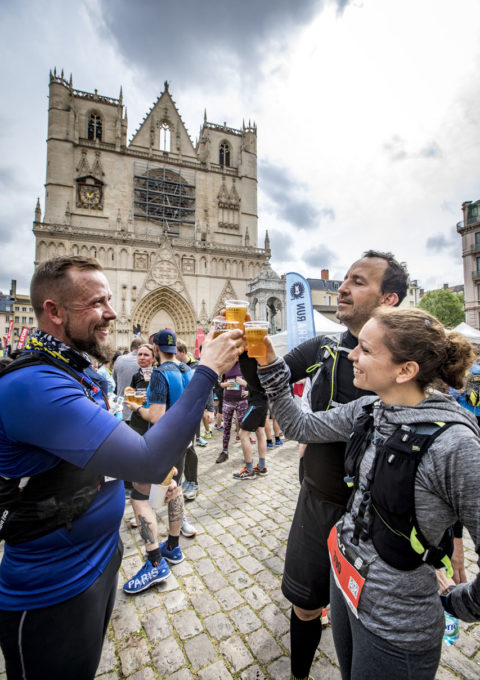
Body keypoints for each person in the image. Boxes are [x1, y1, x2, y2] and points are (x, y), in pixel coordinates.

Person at [0, 256, 243, 680]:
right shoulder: (33, 385)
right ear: (54, 311)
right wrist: (207, 369)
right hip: (51, 588)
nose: (113, 313)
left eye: (111, 300)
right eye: (97, 302)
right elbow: (147, 458)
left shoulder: (74, 371)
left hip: (99, 561)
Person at [256, 307, 480, 679]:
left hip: (395, 624)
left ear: (404, 370)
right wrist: (268, 363)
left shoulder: (456, 445)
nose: (351, 356)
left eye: (365, 349)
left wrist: (460, 602)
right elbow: (299, 425)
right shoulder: (370, 408)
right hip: (345, 588)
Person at [239, 250, 408, 679]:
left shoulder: (408, 367)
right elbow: (268, 378)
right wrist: (247, 347)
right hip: (318, 500)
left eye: (358, 281)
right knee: (305, 602)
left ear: (388, 300)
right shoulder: (326, 347)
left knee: (366, 618)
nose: (343, 288)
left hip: (378, 520)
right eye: (344, 279)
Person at [123, 329, 197, 594]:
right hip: (182, 442)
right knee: (174, 489)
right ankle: (173, 547)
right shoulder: (187, 371)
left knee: (139, 497)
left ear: (155, 349)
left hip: (163, 444)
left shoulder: (160, 374)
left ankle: (155, 562)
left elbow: (155, 416)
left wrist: (136, 408)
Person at [215, 362, 249, 464]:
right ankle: (224, 452)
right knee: (226, 427)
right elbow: (217, 383)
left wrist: (248, 390)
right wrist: (223, 384)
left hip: (241, 401)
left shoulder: (244, 364)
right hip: (227, 401)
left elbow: (254, 381)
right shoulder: (226, 365)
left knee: (244, 429)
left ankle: (247, 454)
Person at [113, 337, 144, 421]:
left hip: (122, 412)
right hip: (140, 414)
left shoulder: (119, 359)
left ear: (131, 348)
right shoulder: (146, 362)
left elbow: (115, 380)